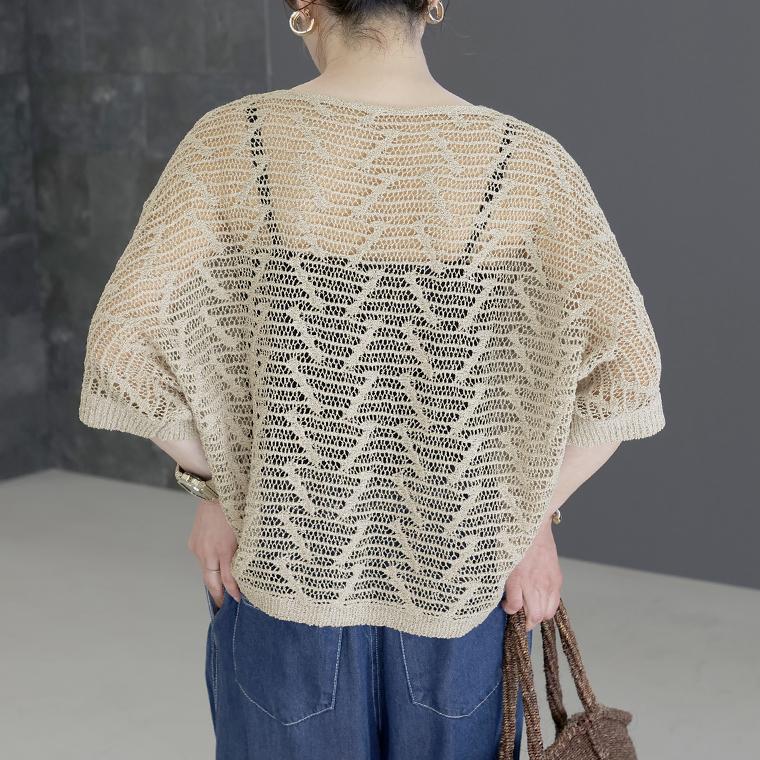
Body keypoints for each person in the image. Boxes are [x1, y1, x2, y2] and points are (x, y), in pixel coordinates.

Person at [78, 1, 666, 758]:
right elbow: (629, 375)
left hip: (286, 580)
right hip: (461, 593)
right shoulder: (526, 164)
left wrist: (220, 483)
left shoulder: (234, 143)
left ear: (305, 3)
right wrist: (527, 519)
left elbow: (119, 351)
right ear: (431, 3)